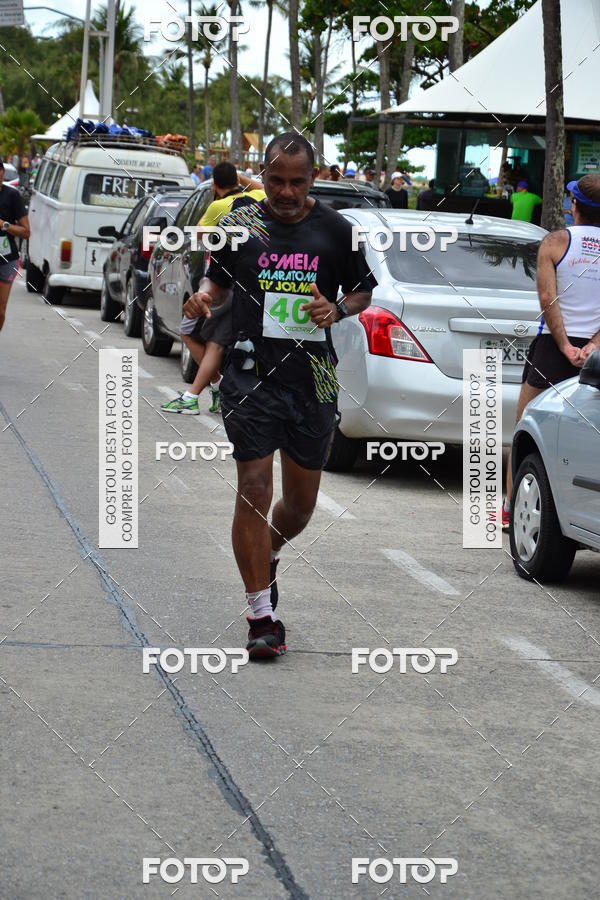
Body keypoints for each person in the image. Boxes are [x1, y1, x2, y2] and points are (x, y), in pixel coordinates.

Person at [182, 132, 377, 659]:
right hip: (250, 372)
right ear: (261, 176)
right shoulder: (241, 222)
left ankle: (266, 554)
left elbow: (363, 290)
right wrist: (203, 297)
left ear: (313, 179)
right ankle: (260, 616)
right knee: (253, 486)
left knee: (300, 506)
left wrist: (336, 309)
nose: (286, 192)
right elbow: (217, 283)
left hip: (314, 378)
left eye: (297, 182)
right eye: (276, 180)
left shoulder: (337, 230)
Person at [502, 174, 600, 528]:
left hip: (552, 348)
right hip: (596, 352)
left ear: (574, 205)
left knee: (526, 428)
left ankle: (511, 506)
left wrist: (564, 346)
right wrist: (592, 346)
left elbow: (548, 298)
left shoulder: (556, 242)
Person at [161, 163, 266, 415]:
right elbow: (262, 187)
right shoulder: (258, 197)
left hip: (221, 285)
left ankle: (195, 396)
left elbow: (199, 234)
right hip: (246, 283)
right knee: (207, 339)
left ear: (215, 185)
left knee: (209, 340)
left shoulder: (218, 207)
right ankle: (216, 386)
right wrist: (242, 177)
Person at [0, 158, 30, 333]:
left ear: (2, 173)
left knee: (1, 311)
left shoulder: (12, 196)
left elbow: (26, 232)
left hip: (7, 259)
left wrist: (4, 225)